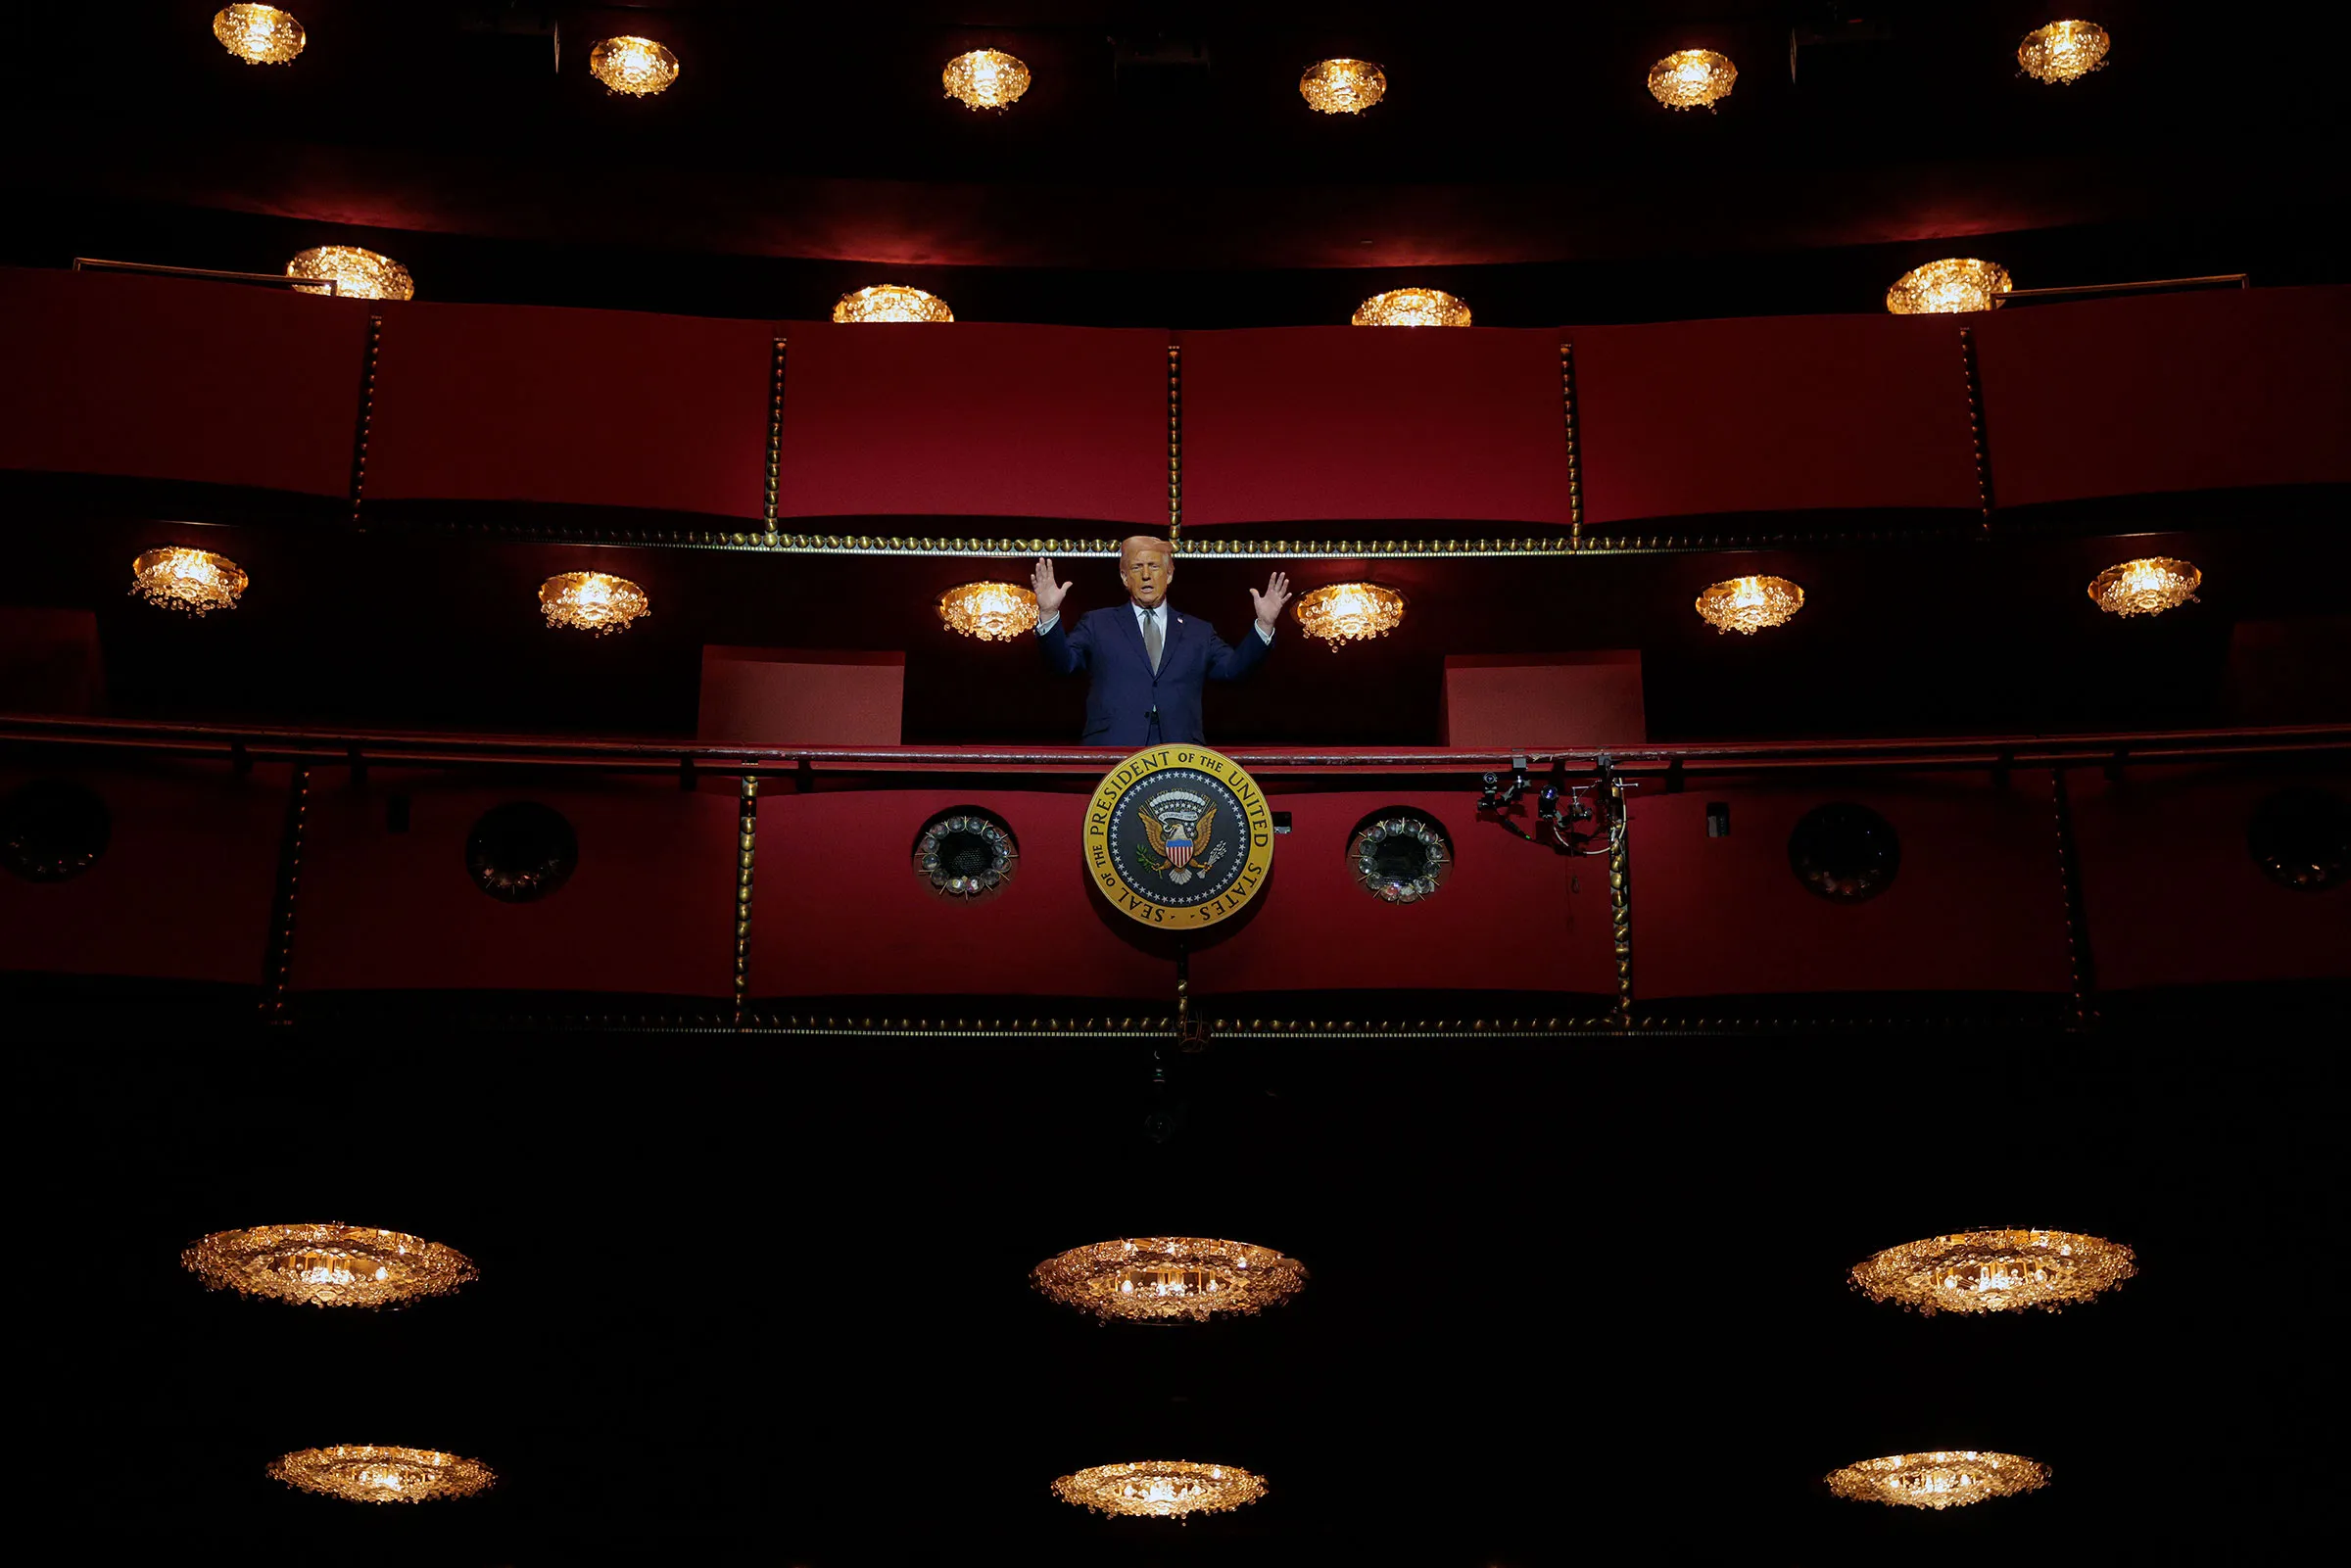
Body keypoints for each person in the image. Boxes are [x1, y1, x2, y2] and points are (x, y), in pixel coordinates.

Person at [1032, 537, 1291, 745]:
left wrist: (1264, 625)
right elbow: (1063, 664)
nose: (1146, 575)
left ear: (1168, 575)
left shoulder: (1198, 632)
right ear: (1125, 577)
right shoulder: (1097, 623)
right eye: (1136, 567)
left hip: (1179, 752)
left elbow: (1233, 670)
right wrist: (1049, 614)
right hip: (1114, 750)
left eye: (1154, 567)